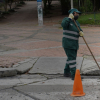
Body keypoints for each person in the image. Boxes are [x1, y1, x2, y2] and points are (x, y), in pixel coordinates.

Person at [61, 8, 84, 80]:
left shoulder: (76, 23)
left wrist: (81, 32)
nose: (78, 15)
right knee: (72, 59)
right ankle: (74, 75)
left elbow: (79, 29)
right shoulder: (66, 20)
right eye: (76, 13)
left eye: (78, 14)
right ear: (72, 13)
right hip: (68, 44)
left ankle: (66, 72)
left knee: (70, 58)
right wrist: (69, 19)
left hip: (74, 44)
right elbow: (63, 25)